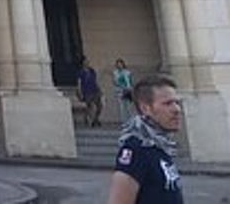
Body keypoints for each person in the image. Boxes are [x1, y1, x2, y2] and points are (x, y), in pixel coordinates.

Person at [107, 75, 184, 204]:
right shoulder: (136, 149)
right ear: (145, 108)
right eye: (167, 103)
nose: (177, 109)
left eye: (177, 102)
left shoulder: (160, 145)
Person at [79, 58, 104, 127]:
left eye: (87, 62)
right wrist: (80, 92)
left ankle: (95, 119)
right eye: (85, 62)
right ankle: (92, 121)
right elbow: (79, 82)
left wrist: (99, 89)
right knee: (89, 106)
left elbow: (95, 80)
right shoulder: (81, 72)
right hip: (86, 91)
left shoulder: (92, 70)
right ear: (82, 63)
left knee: (100, 106)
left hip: (95, 90)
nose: (87, 63)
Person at [113, 59, 135, 124]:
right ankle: (124, 122)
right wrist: (120, 86)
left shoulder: (127, 72)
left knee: (129, 107)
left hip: (128, 90)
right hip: (120, 91)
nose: (119, 65)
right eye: (118, 64)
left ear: (123, 64)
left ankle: (131, 121)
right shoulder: (115, 73)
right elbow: (115, 82)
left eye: (120, 64)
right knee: (121, 107)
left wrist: (131, 88)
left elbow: (130, 81)